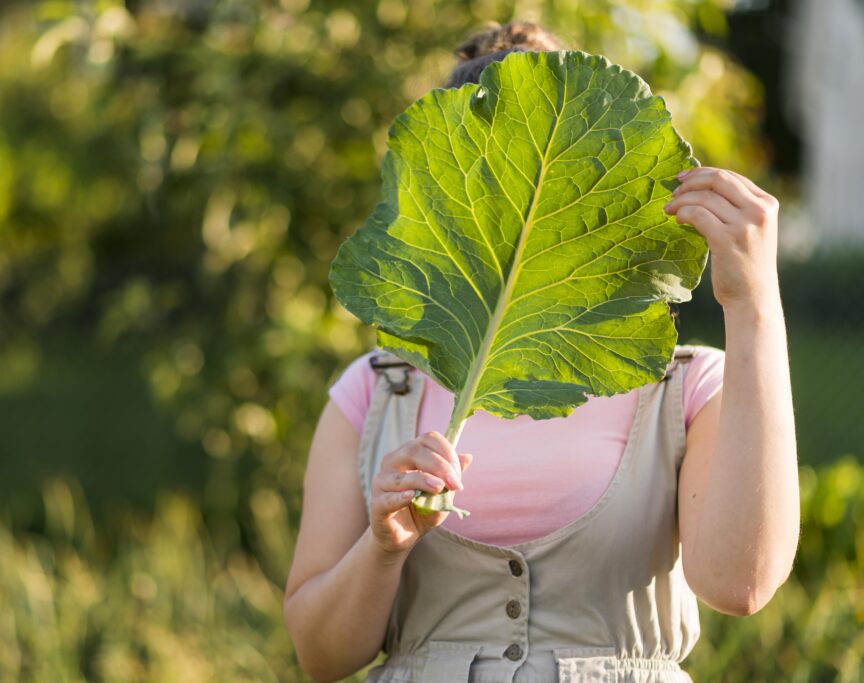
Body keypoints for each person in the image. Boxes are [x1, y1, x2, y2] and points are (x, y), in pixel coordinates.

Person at [283, 21, 799, 683]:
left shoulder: (687, 387)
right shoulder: (375, 390)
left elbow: (740, 584)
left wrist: (754, 305)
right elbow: (320, 655)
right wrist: (383, 547)